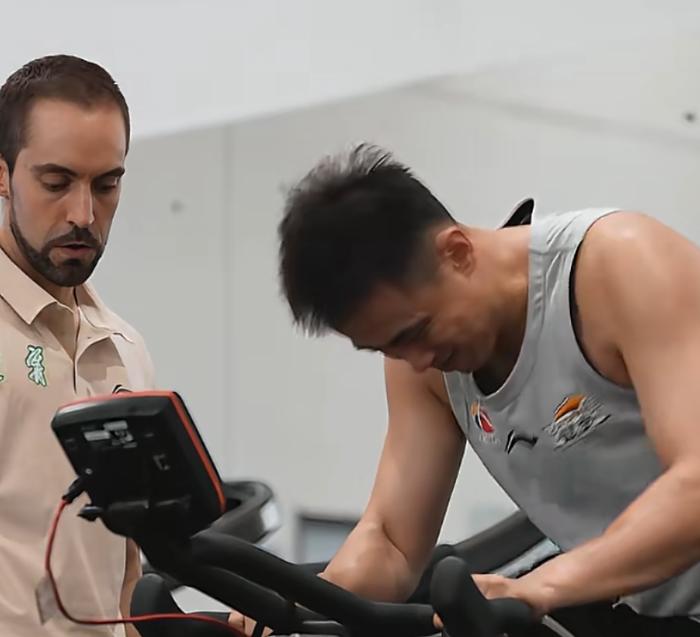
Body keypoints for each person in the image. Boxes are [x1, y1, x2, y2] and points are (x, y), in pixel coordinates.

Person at [235, 143, 700, 636]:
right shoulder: (421, 363)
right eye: (386, 348)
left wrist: (543, 585)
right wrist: (301, 603)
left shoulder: (621, 264)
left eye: (415, 332)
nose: (414, 361)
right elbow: (392, 543)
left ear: (457, 252)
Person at [0, 55, 155, 637]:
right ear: (2, 175)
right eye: (56, 183)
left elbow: (126, 576)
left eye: (106, 184)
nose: (84, 214)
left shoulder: (125, 348)